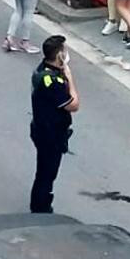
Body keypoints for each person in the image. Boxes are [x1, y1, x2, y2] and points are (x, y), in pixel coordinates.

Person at [29, 36, 79, 214]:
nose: (66, 54)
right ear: (59, 55)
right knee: (47, 172)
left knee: (44, 169)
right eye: (64, 51)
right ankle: (40, 206)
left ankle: (40, 200)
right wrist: (70, 78)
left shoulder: (43, 69)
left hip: (43, 128)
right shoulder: (51, 81)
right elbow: (74, 104)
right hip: (50, 134)